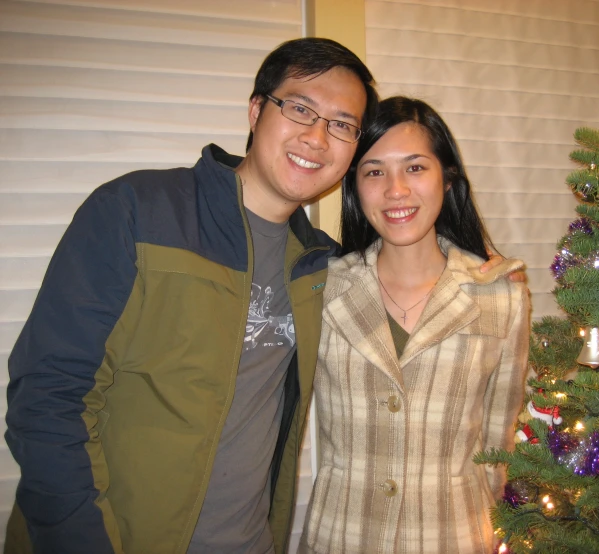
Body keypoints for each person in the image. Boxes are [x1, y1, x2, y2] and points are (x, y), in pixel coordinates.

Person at [4, 37, 378, 554]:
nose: (317, 137)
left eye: (342, 124)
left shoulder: (322, 266)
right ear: (255, 111)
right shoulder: (136, 210)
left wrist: (470, 266)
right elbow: (48, 397)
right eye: (300, 108)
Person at [299, 97, 531, 553]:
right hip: (341, 536)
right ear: (355, 186)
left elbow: (498, 446)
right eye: (374, 171)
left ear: (446, 178)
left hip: (455, 536)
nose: (395, 190)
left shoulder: (501, 296)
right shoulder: (322, 290)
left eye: (415, 168)